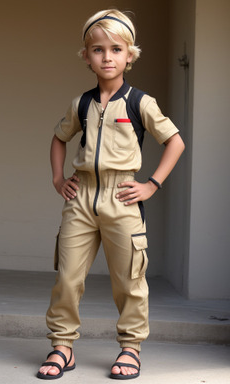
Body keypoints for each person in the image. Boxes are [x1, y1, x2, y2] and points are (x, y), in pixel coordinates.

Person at [37, 8, 185, 381]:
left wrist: (151, 184)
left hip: (122, 200)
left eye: (116, 49)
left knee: (130, 280)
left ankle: (130, 349)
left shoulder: (140, 103)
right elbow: (58, 138)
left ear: (130, 56)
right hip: (81, 200)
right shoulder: (81, 104)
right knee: (68, 277)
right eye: (98, 49)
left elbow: (175, 142)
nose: (107, 56)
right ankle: (62, 347)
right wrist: (59, 180)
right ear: (87, 56)